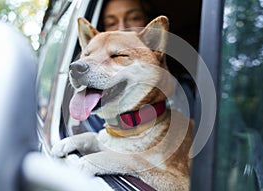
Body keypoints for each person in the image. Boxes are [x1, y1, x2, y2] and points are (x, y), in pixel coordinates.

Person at [82, 0, 195, 132]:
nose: (122, 29)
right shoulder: (93, 100)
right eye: (111, 23)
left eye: (134, 18)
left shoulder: (188, 86)